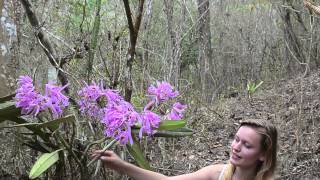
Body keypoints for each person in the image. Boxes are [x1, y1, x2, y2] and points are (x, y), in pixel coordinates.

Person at [92, 119, 278, 180]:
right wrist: (122, 166)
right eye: (236, 139)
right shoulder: (218, 173)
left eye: (247, 145)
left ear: (263, 155)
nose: (236, 147)